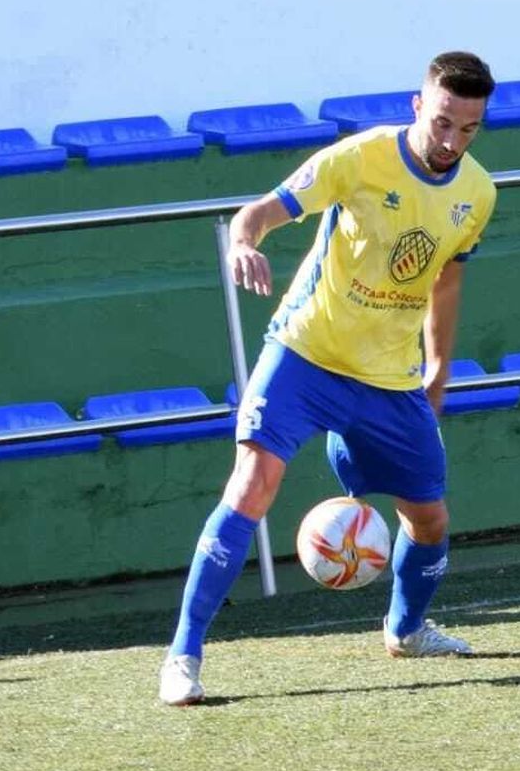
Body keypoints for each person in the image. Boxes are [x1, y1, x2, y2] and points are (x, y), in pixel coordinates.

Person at [159, 51, 499, 706]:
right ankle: (183, 655)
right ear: (417, 105)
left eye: (468, 129)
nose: (451, 140)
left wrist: (438, 366)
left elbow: (448, 277)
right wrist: (244, 243)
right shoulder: (359, 158)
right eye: (442, 122)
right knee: (253, 484)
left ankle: (406, 629)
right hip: (304, 353)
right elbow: (258, 212)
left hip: (388, 377)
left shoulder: (478, 192)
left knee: (428, 516)